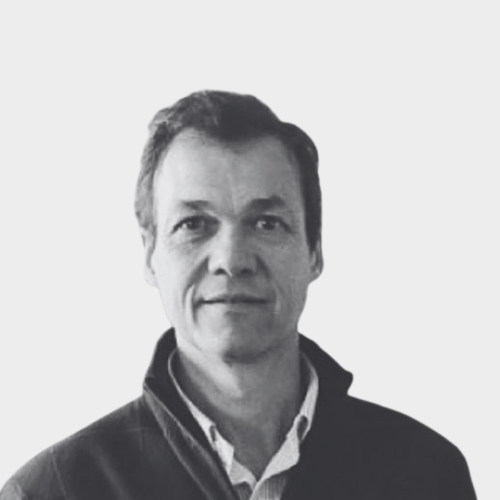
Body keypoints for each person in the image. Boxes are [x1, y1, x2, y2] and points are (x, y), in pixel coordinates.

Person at [0, 91, 476, 500]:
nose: (231, 258)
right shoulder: (55, 491)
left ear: (314, 250)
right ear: (149, 254)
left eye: (266, 223)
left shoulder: (426, 475)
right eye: (194, 224)